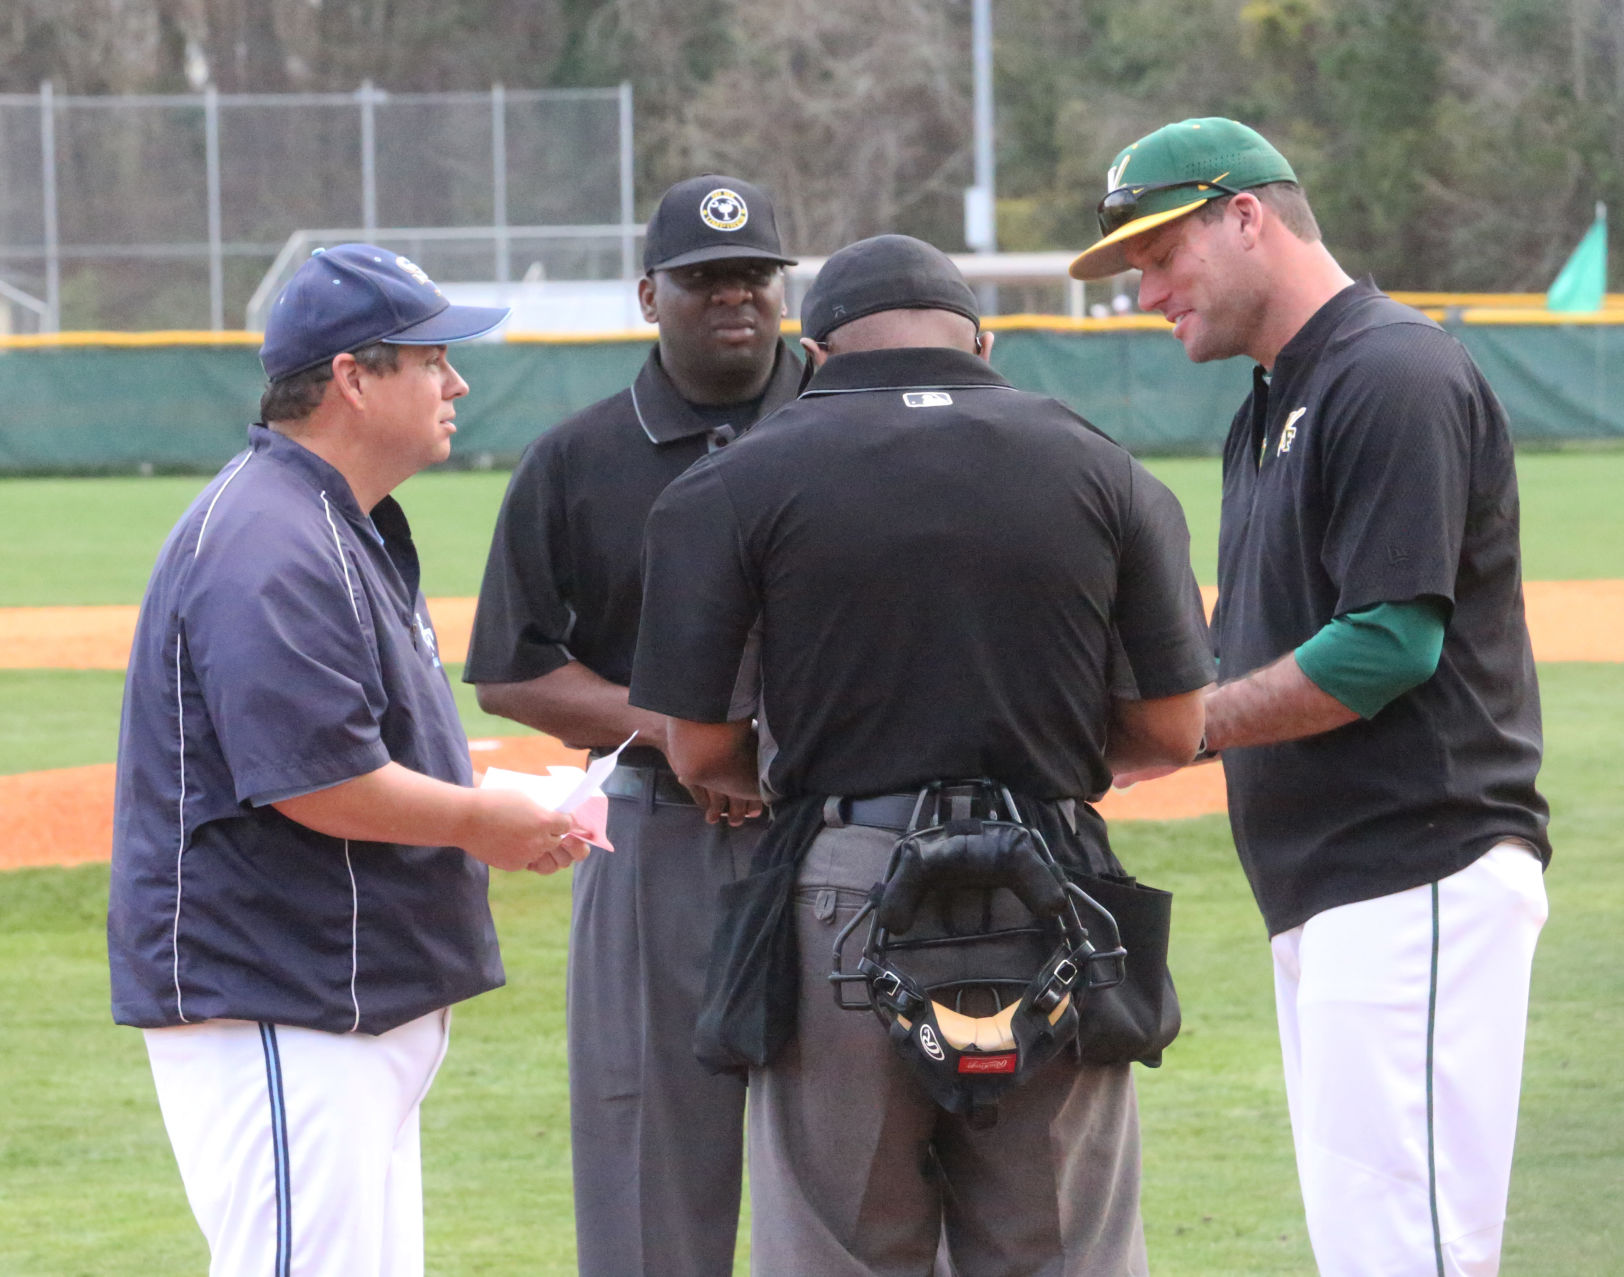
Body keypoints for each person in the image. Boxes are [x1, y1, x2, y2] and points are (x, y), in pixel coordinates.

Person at [629, 233, 1214, 1275]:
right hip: (1052, 877)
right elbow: (1172, 729)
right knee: (1061, 1250)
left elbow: (700, 747)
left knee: (842, 1245)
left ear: (815, 351)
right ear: (982, 341)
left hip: (846, 882)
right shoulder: (1106, 468)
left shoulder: (732, 483)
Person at [1070, 118, 1552, 1276]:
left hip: (1413, 862)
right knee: (1372, 1243)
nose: (1145, 293)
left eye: (1157, 254)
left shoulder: (1389, 370)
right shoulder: (1277, 395)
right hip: (1340, 884)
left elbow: (1389, 642)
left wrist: (1179, 731)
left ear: (1246, 216)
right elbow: (1255, 639)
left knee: (1406, 1249)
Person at [108, 243, 590, 1277]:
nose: (456, 381)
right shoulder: (267, 540)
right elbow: (315, 778)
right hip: (282, 994)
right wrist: (480, 818)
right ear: (352, 378)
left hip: (334, 996)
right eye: (429, 359)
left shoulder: (327, 522)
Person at [463, 174, 801, 1276]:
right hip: (662, 835)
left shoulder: (851, 421)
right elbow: (511, 669)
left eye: (753, 274)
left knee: (871, 1157)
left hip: (845, 828)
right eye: (704, 280)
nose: (733, 297)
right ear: (651, 292)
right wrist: (681, 730)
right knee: (651, 1155)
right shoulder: (579, 456)